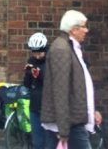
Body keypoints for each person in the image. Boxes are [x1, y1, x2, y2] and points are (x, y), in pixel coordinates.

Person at [41, 10, 102, 149]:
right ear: (74, 30)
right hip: (70, 123)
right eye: (83, 27)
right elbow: (60, 90)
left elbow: (80, 86)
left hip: (74, 120)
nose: (86, 30)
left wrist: (91, 111)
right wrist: (63, 129)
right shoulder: (62, 49)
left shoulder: (71, 48)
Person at [23, 31, 49, 149]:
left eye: (40, 53)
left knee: (49, 142)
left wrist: (38, 74)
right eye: (35, 53)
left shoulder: (50, 61)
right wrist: (28, 74)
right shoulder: (31, 61)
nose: (37, 56)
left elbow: (50, 81)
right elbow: (27, 84)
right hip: (34, 107)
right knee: (37, 142)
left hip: (48, 108)